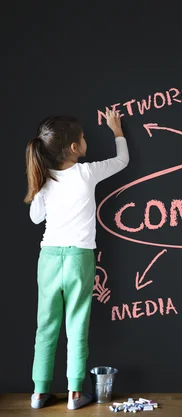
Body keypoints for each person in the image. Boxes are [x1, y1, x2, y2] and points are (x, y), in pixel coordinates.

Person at [25, 110, 129, 410]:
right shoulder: (86, 173)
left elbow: (35, 219)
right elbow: (122, 161)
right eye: (82, 138)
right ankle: (74, 394)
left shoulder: (45, 180)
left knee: (45, 326)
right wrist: (116, 130)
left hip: (48, 257)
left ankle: (39, 393)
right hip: (79, 257)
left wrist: (38, 190)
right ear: (74, 148)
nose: (85, 141)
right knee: (77, 325)